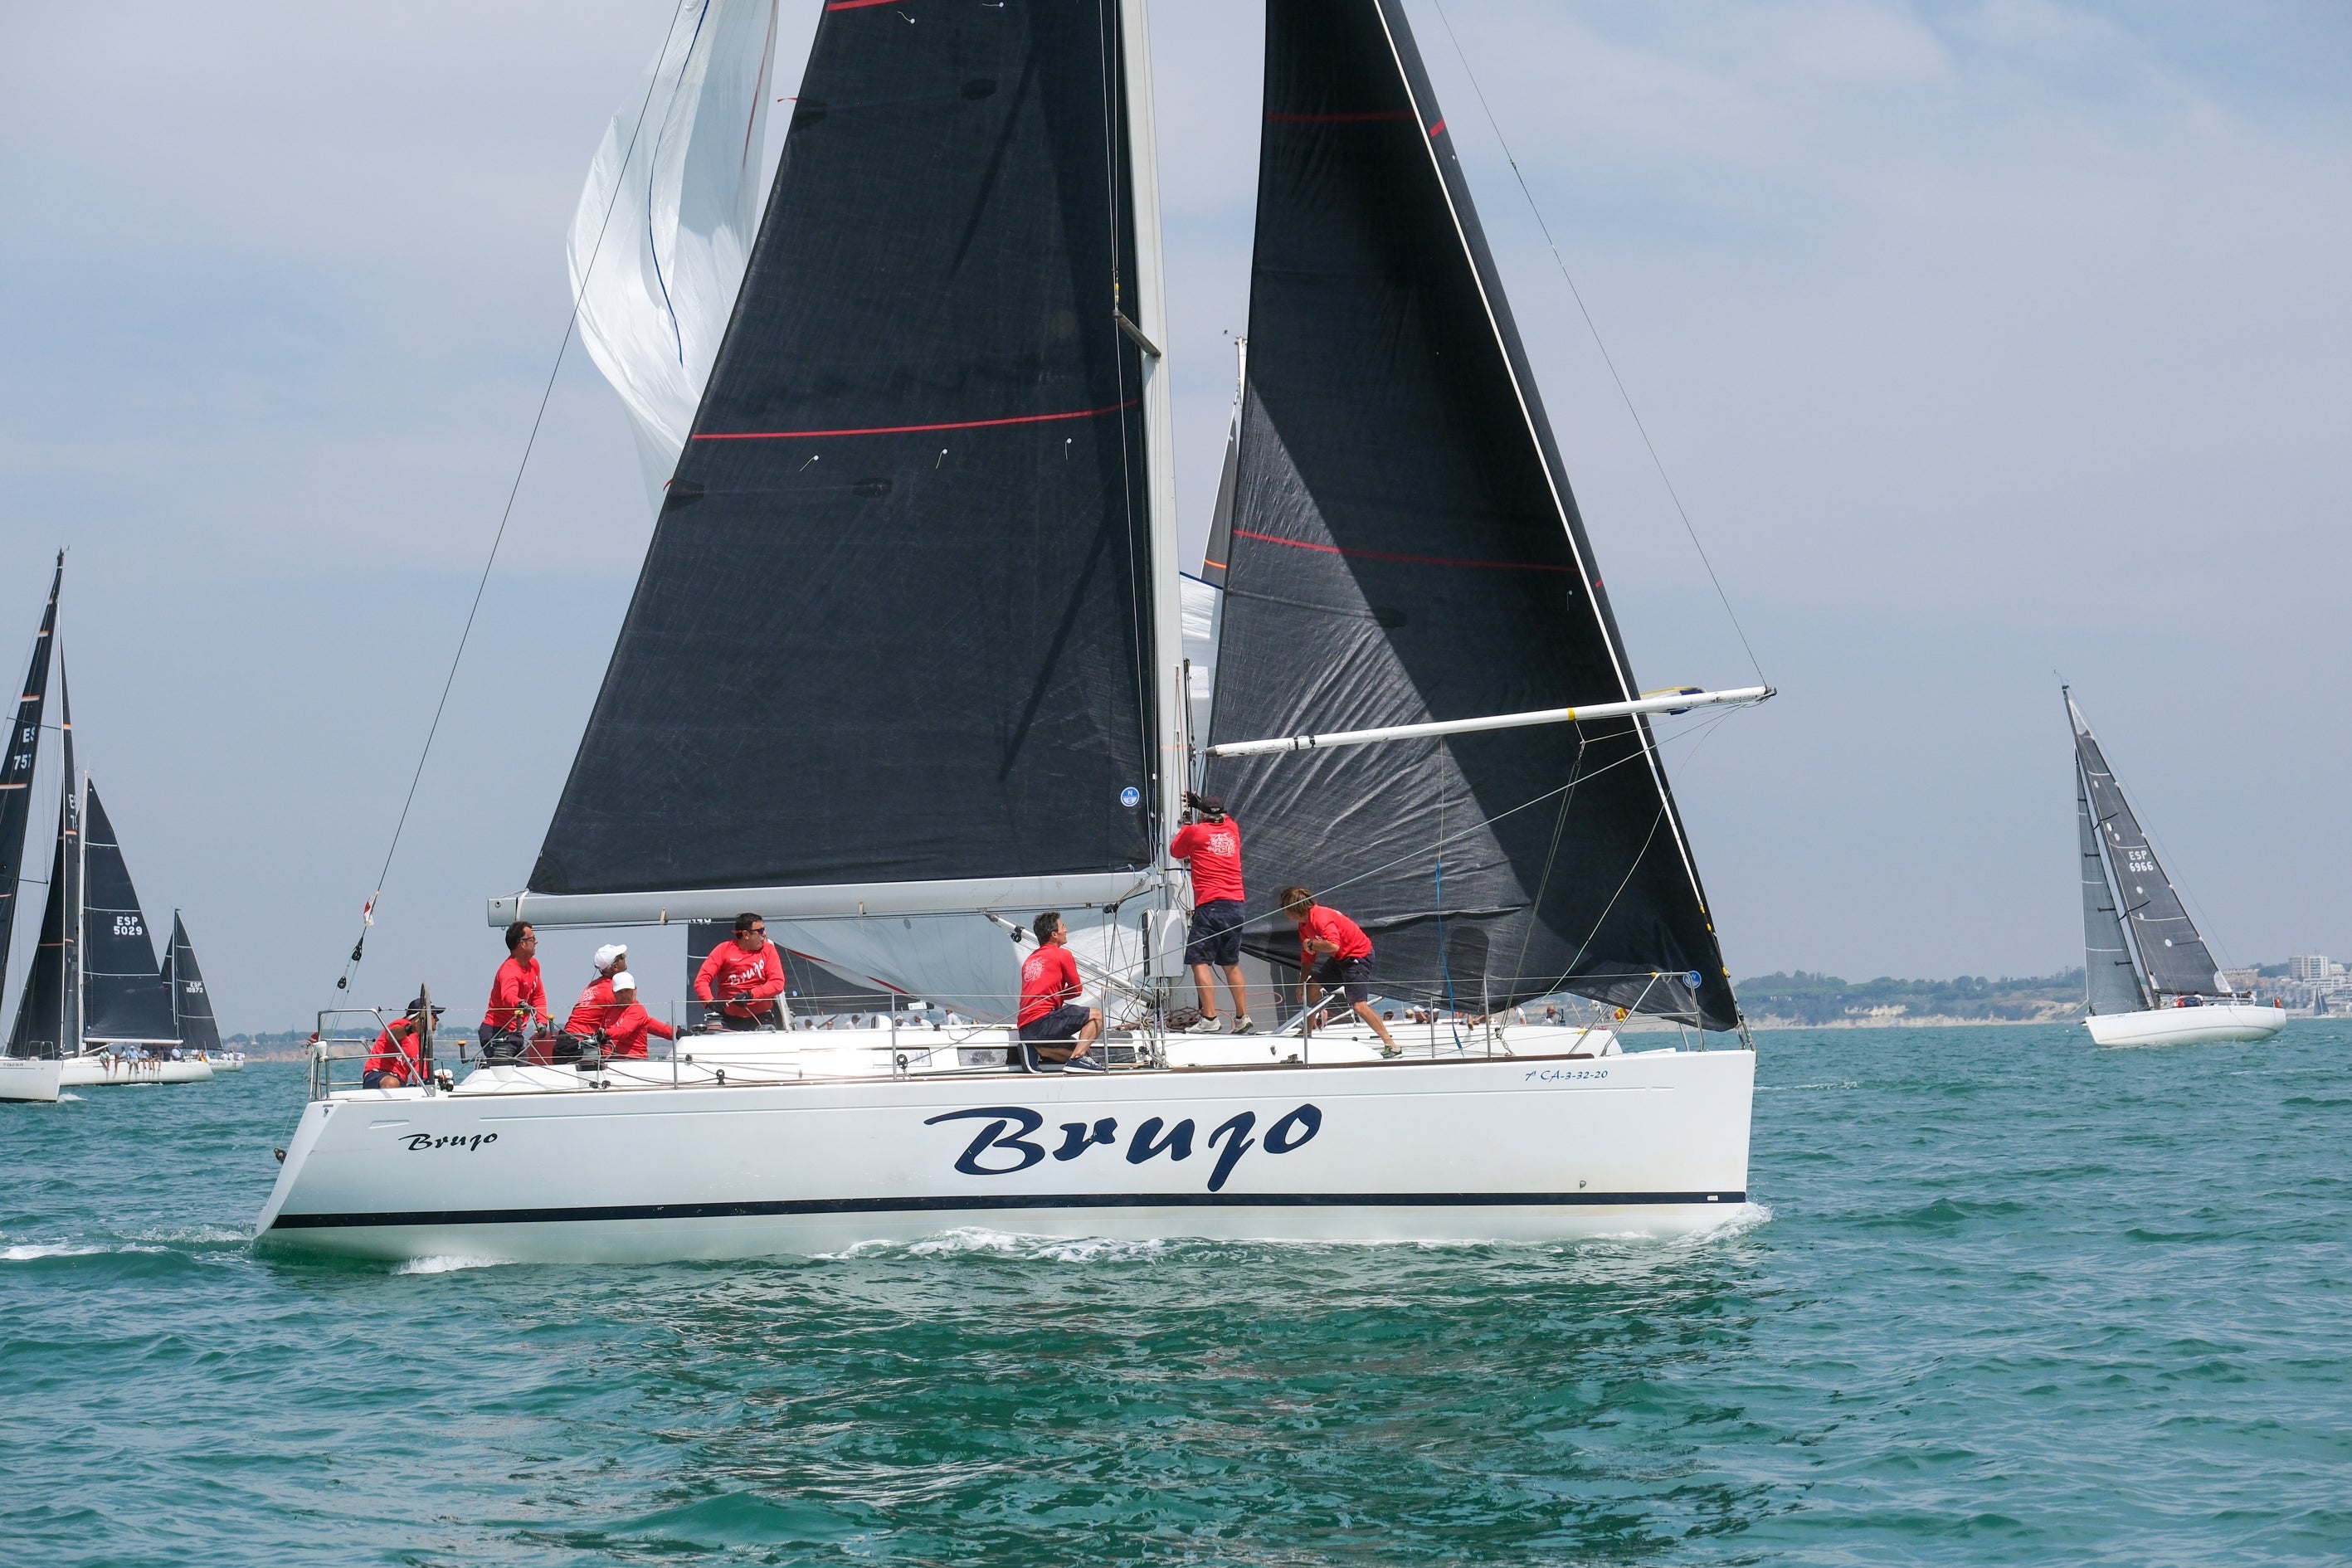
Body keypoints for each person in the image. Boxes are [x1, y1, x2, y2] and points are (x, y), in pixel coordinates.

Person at [1276, 885, 1400, 1056]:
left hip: (1358, 957)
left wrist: (1312, 944)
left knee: (1359, 1005)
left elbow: (1333, 944)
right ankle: (1307, 1033)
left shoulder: (1321, 918)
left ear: (1294, 909)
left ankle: (1392, 1045)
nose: (1284, 913)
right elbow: (1307, 956)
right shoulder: (1303, 924)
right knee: (1312, 986)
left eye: (1285, 910)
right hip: (1341, 958)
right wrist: (1301, 982)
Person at [1170, 791, 1253, 1035]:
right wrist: (1201, 807)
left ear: (1203, 815)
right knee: (1231, 963)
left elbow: (1176, 851)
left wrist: (1187, 823)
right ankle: (1242, 1017)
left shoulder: (1196, 832)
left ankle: (1209, 1018)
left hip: (1211, 905)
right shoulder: (1233, 829)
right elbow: (1222, 819)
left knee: (1199, 960)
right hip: (1236, 905)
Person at [1015, 911, 1103, 1070]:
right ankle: (1076, 1060)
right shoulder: (1063, 954)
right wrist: (1058, 996)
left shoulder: (1030, 959)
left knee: (1083, 1053)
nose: (1066, 929)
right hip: (1044, 1021)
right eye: (1063, 926)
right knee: (1097, 1015)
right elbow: (1077, 990)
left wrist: (1052, 996)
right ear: (1054, 934)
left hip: (1025, 1028)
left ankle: (1035, 1048)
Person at [694, 913, 790, 1030]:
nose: (764, 934)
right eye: (760, 931)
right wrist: (710, 1001)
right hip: (728, 1018)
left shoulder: (769, 950)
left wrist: (751, 995)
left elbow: (777, 983)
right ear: (746, 934)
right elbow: (702, 980)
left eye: (763, 929)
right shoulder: (723, 950)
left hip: (761, 1017)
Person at [480, 922, 548, 1059]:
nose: (537, 942)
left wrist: (541, 1021)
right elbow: (508, 996)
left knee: (524, 1071)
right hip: (497, 1031)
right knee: (505, 1072)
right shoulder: (509, 970)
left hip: (515, 1033)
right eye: (533, 938)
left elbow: (538, 996)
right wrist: (520, 1003)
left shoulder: (534, 965)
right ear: (522, 944)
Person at [594, 972, 676, 1060]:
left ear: (635, 990)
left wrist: (606, 1033)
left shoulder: (637, 1010)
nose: (624, 995)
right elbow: (656, 1027)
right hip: (610, 1062)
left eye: (627, 991)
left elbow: (624, 1030)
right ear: (613, 993)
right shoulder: (610, 1010)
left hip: (633, 1062)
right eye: (620, 992)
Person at [364, 997, 438, 1088]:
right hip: (377, 1075)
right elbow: (391, 1035)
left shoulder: (420, 1044)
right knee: (391, 1083)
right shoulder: (401, 1024)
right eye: (434, 1014)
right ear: (421, 1016)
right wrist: (410, 1028)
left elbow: (420, 1074)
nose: (437, 1019)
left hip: (400, 1082)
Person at [563, 943, 631, 1039]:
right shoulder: (613, 989)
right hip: (582, 1042)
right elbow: (635, 1014)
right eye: (622, 956)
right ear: (615, 967)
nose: (625, 957)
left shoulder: (593, 985)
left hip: (567, 1037)